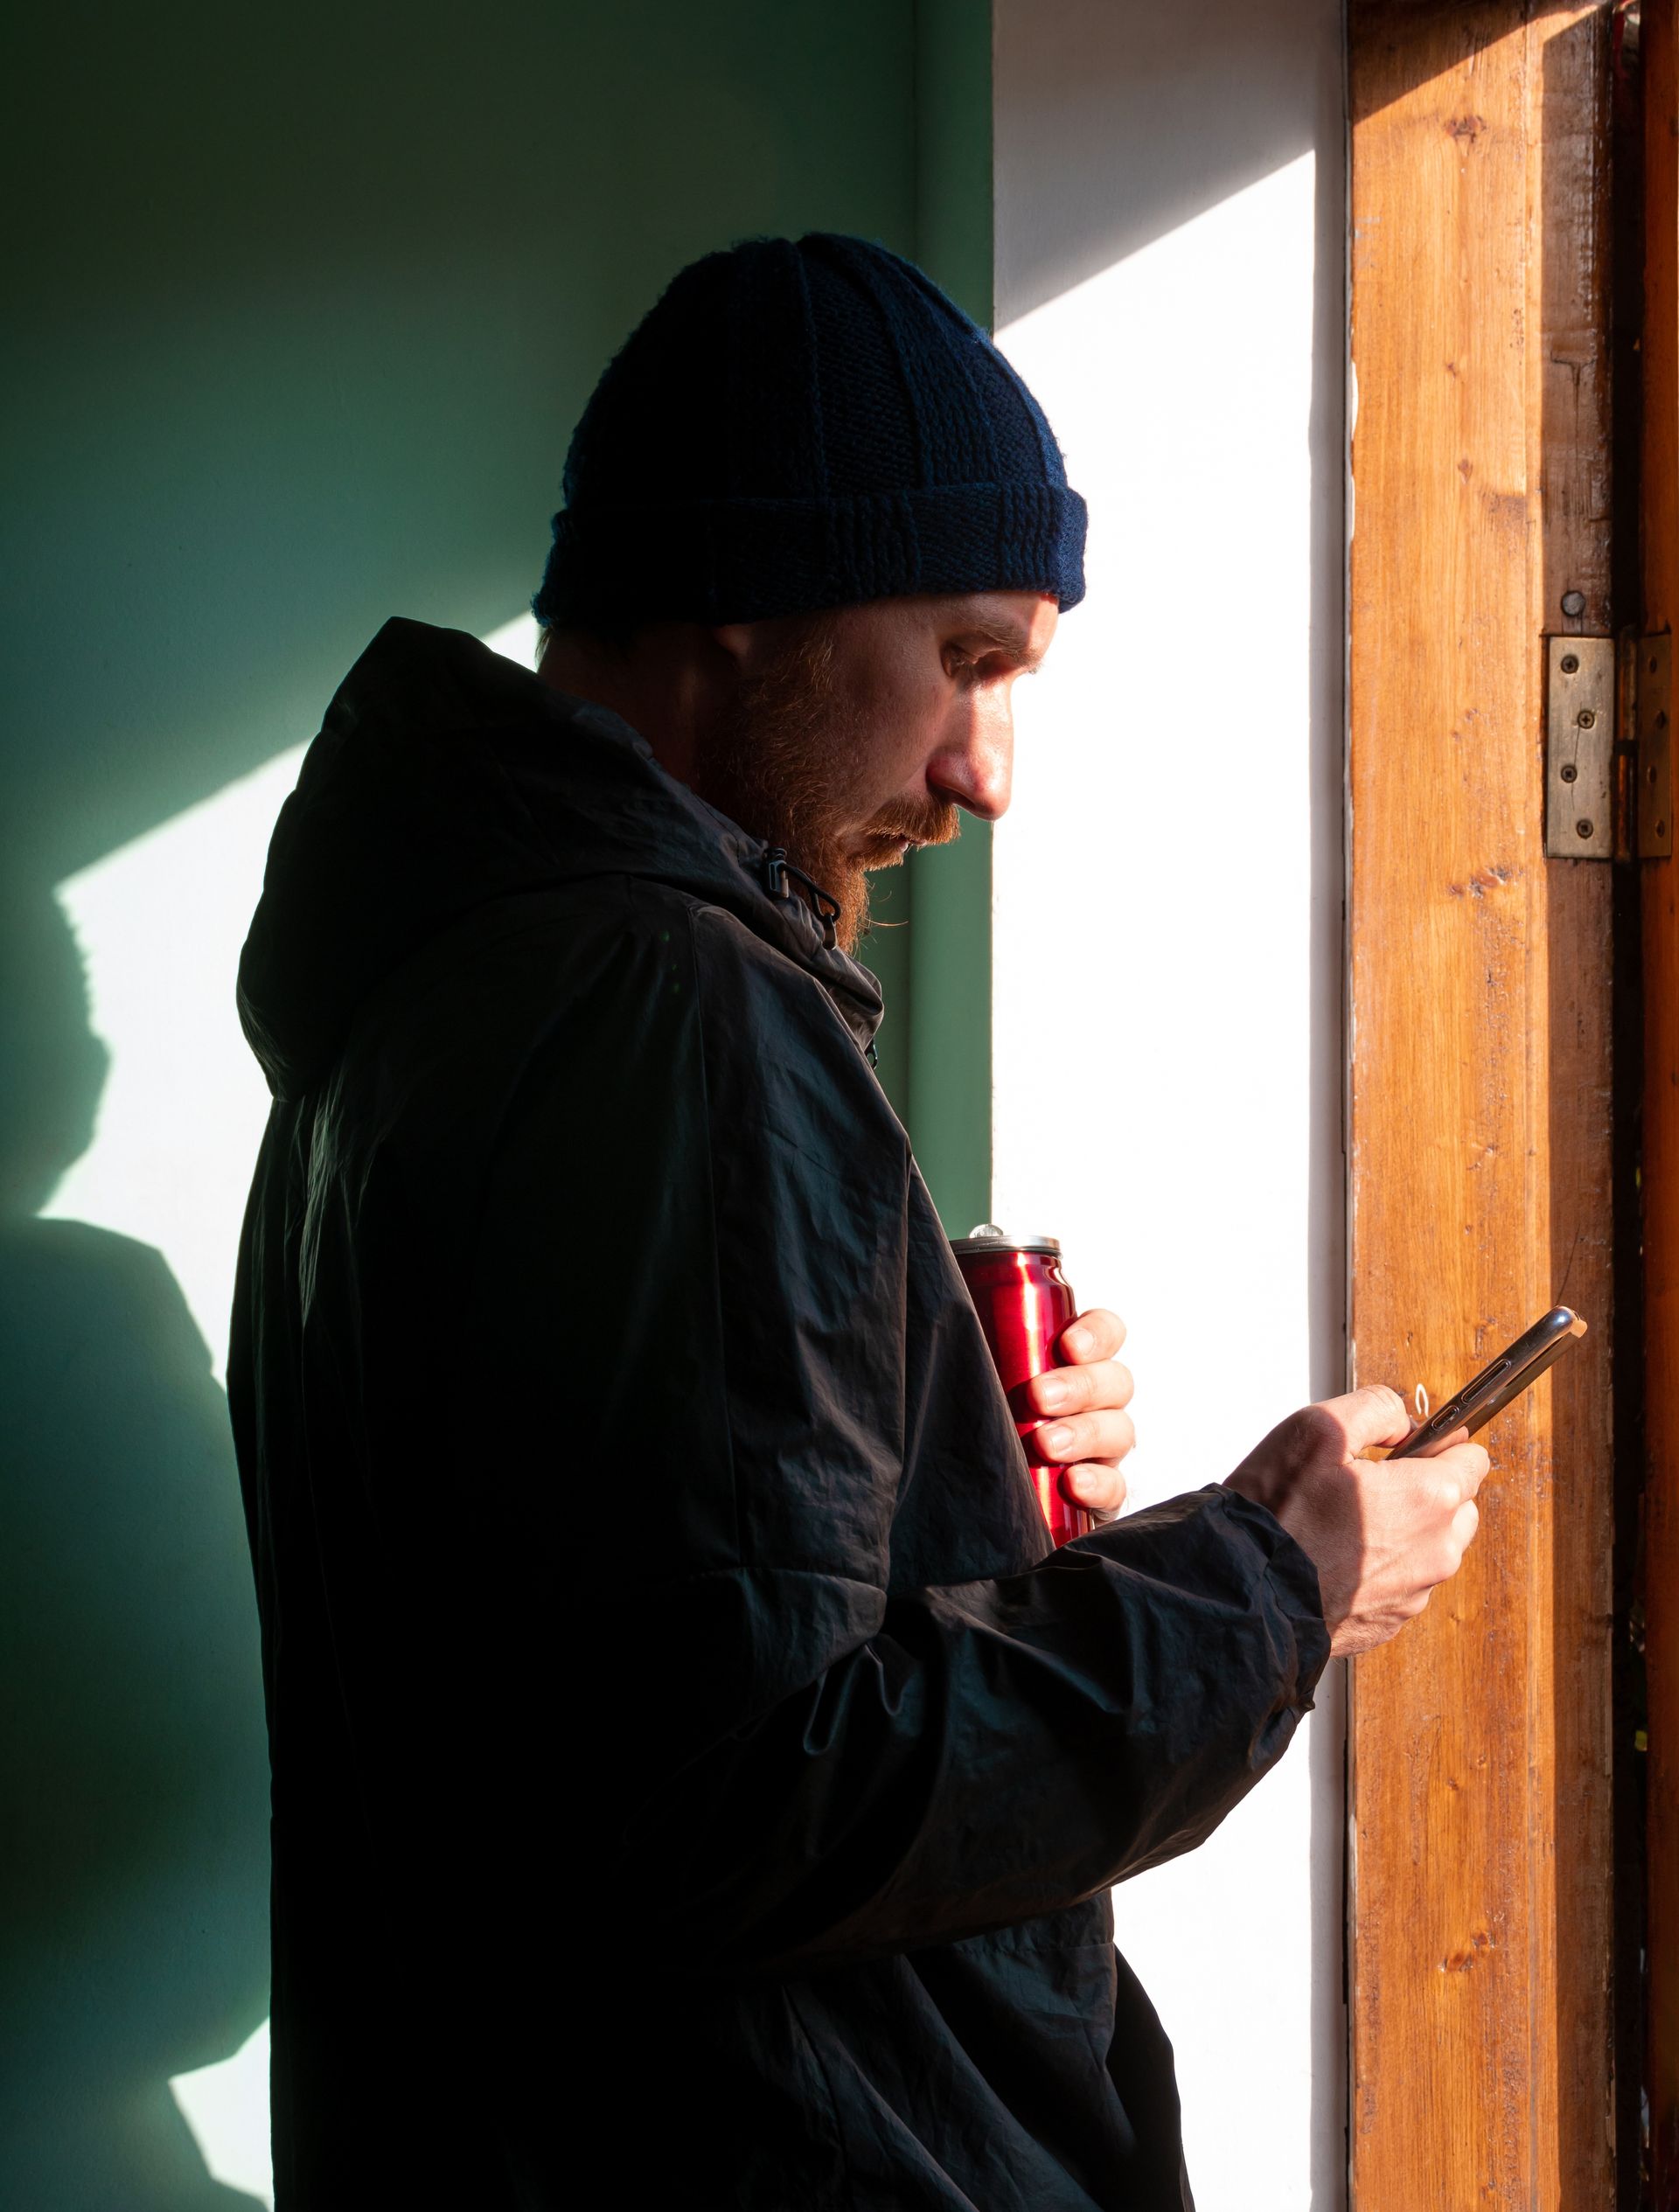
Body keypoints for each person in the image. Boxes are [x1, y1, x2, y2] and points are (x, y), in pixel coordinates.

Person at [229, 233, 1486, 2210]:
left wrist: (947, 1462)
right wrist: (1270, 1591)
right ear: (750, 594)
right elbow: (757, 1790)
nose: (987, 772)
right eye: (970, 659)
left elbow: (629, 1718)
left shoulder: (420, 1013)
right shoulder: (672, 1007)